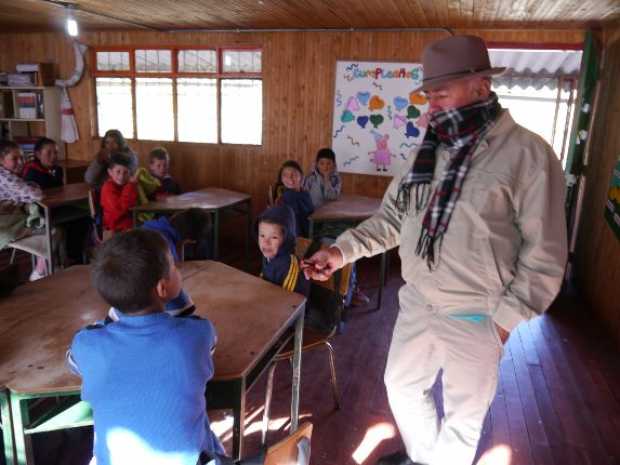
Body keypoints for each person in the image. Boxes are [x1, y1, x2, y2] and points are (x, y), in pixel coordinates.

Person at [302, 35, 568, 465]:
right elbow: (393, 219)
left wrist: (502, 323)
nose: (432, 105)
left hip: (478, 315)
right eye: (429, 94)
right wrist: (341, 252)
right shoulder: (426, 151)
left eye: (441, 94)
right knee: (402, 387)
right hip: (417, 304)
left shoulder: (529, 156)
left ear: (480, 87)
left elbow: (547, 256)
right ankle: (425, 459)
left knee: (464, 421)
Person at [66, 229, 224, 465]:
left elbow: (73, 362)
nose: (178, 270)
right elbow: (203, 340)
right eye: (174, 266)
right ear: (162, 288)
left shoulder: (88, 344)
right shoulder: (196, 335)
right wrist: (178, 298)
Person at [257, 204, 309, 296]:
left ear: (287, 239)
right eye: (262, 235)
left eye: (274, 237)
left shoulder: (289, 266)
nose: (266, 242)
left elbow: (286, 300)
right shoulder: (271, 255)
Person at [272, 160, 314, 238]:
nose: (290, 178)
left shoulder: (305, 193)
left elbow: (311, 212)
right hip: (299, 238)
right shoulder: (287, 198)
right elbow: (293, 225)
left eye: (294, 174)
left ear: (301, 176)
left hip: (310, 230)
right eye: (285, 175)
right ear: (281, 179)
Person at [100, 153, 138, 233]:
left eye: (125, 172)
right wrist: (130, 186)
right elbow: (120, 209)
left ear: (130, 173)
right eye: (118, 172)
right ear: (110, 172)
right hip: (116, 227)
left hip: (129, 222)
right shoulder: (108, 188)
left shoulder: (126, 184)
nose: (121, 176)